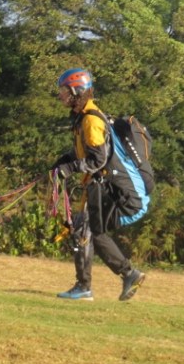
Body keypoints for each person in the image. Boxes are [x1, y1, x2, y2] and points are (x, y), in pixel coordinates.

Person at [52, 68, 147, 301]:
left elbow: (97, 159)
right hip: (98, 186)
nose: (61, 96)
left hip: (107, 187)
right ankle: (123, 275)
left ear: (77, 91)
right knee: (89, 231)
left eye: (64, 91)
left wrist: (70, 169)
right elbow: (82, 151)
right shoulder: (82, 117)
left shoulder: (91, 120)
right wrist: (63, 162)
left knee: (88, 231)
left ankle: (100, 282)